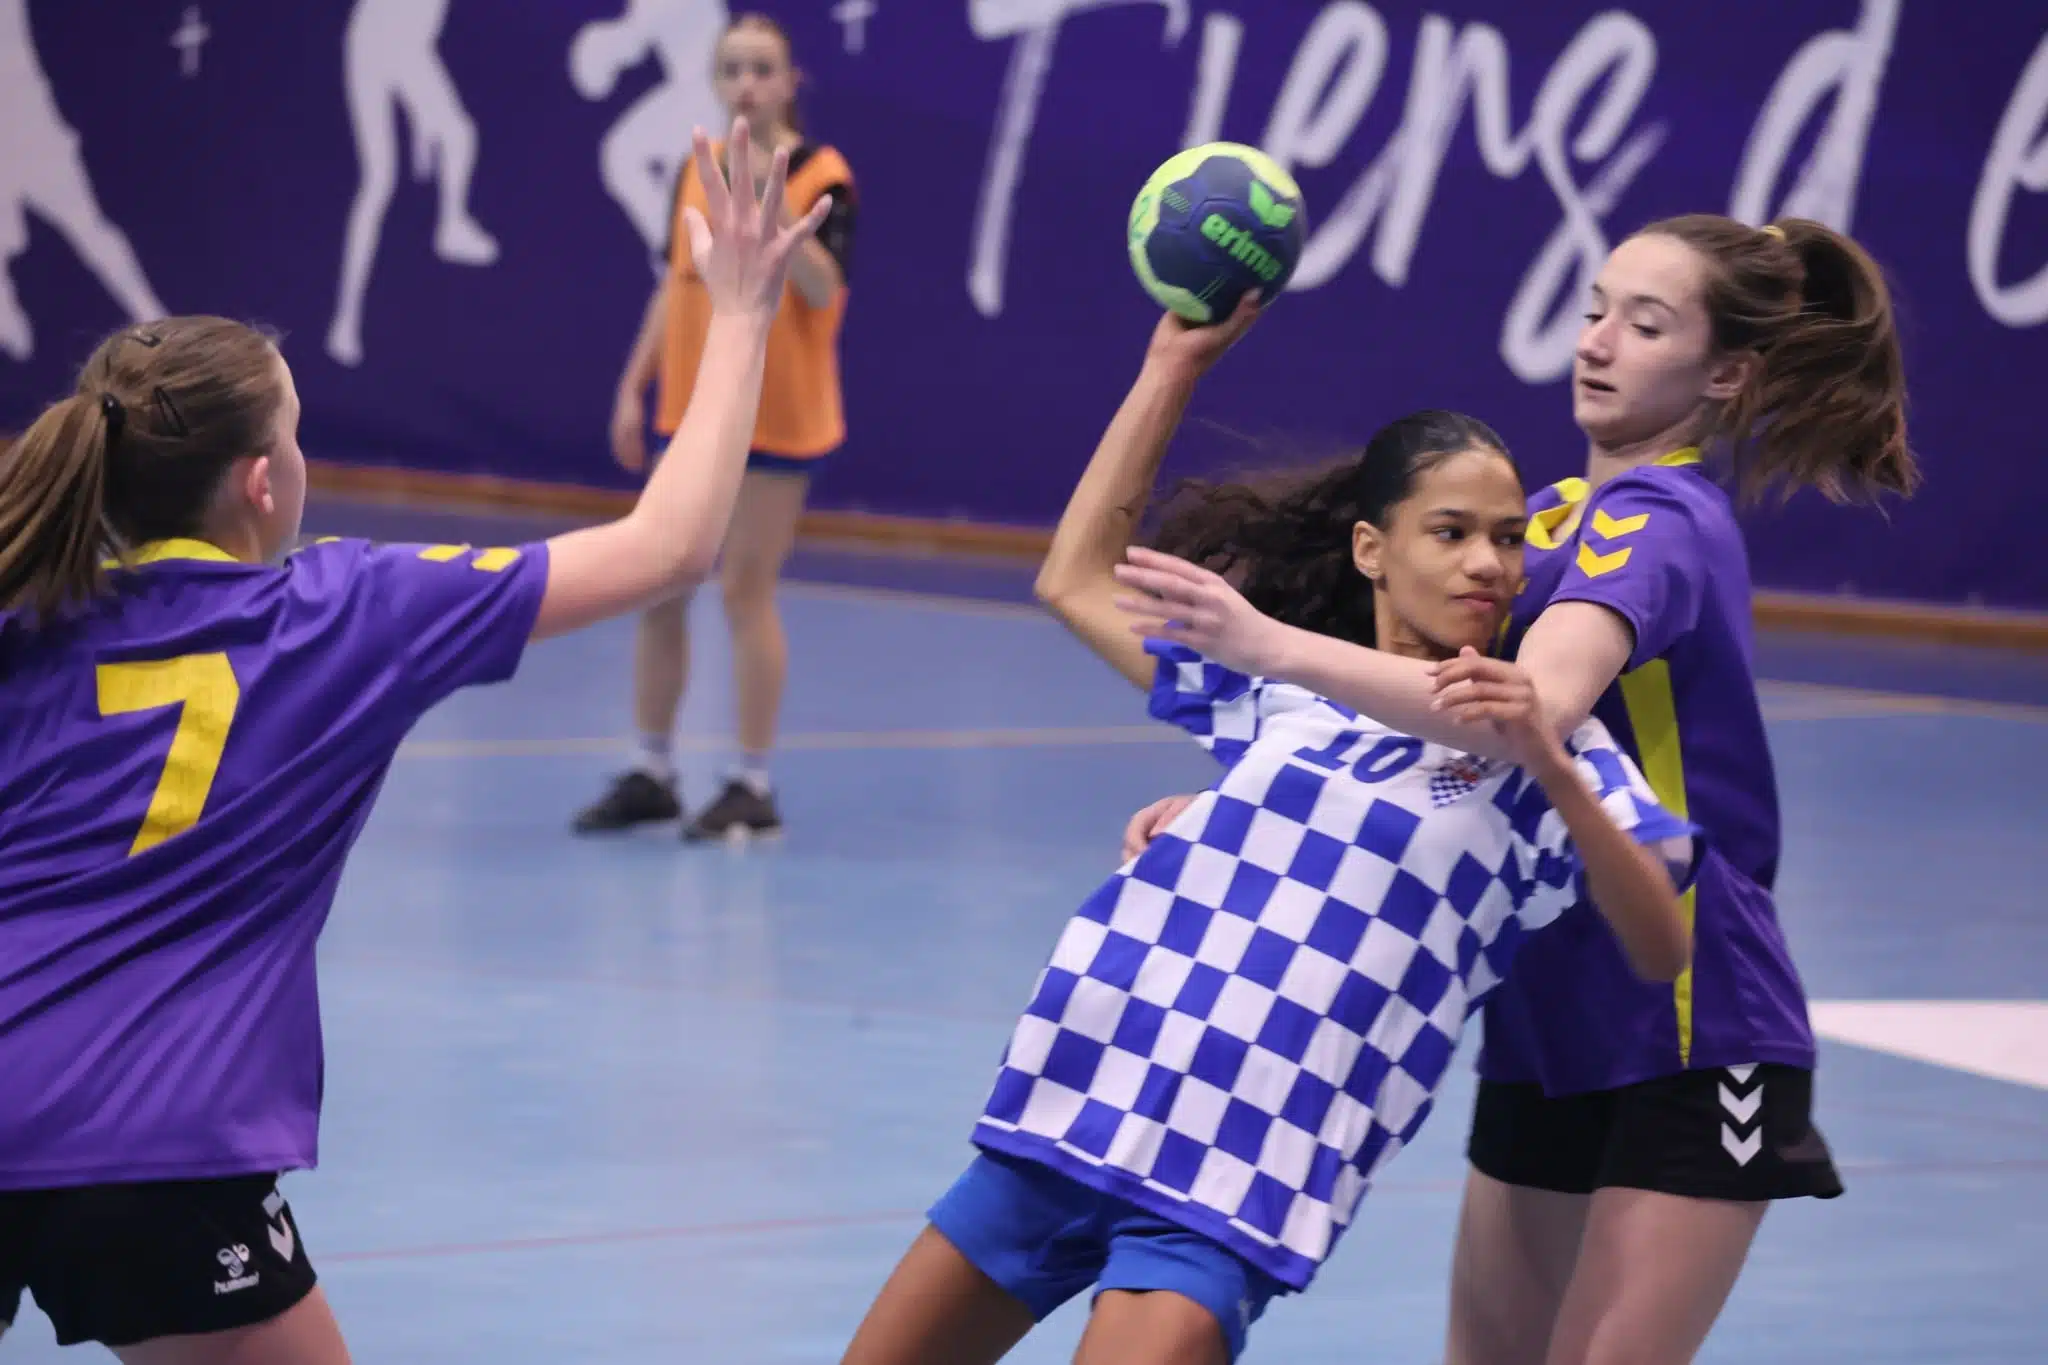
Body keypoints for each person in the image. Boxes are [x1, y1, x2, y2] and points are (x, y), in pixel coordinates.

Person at [0, 121, 826, 1362]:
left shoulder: (28, 614)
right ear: (262, 483)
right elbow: (669, 548)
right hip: (150, 1142)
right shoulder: (343, 611)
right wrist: (743, 314)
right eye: (293, 431)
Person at [1110, 213, 1915, 1365]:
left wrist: (1269, 646)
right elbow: (1399, 728)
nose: (1596, 341)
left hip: (1692, 1032)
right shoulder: (1540, 522)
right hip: (1543, 1021)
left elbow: (1520, 708)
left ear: (1725, 375)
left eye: (1645, 325)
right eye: (1593, 310)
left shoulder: (1654, 523)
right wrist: (1242, 806)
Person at [835, 301, 1701, 1365]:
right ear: (1371, 549)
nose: (1488, 562)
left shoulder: (1549, 751)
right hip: (1073, 1110)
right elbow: (1074, 578)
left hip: (1236, 1180)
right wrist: (1169, 366)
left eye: (1508, 538)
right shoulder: (1284, 692)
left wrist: (1551, 763)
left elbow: (1660, 942)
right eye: (1451, 532)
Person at [574, 11, 857, 843]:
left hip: (778, 419)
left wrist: (772, 214)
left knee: (743, 590)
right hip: (691, 413)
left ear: (791, 81)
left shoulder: (822, 176)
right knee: (658, 582)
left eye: (763, 69)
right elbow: (676, 285)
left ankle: (752, 783)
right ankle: (653, 770)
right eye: (732, 69)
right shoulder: (696, 173)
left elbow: (824, 288)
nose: (747, 84)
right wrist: (632, 386)